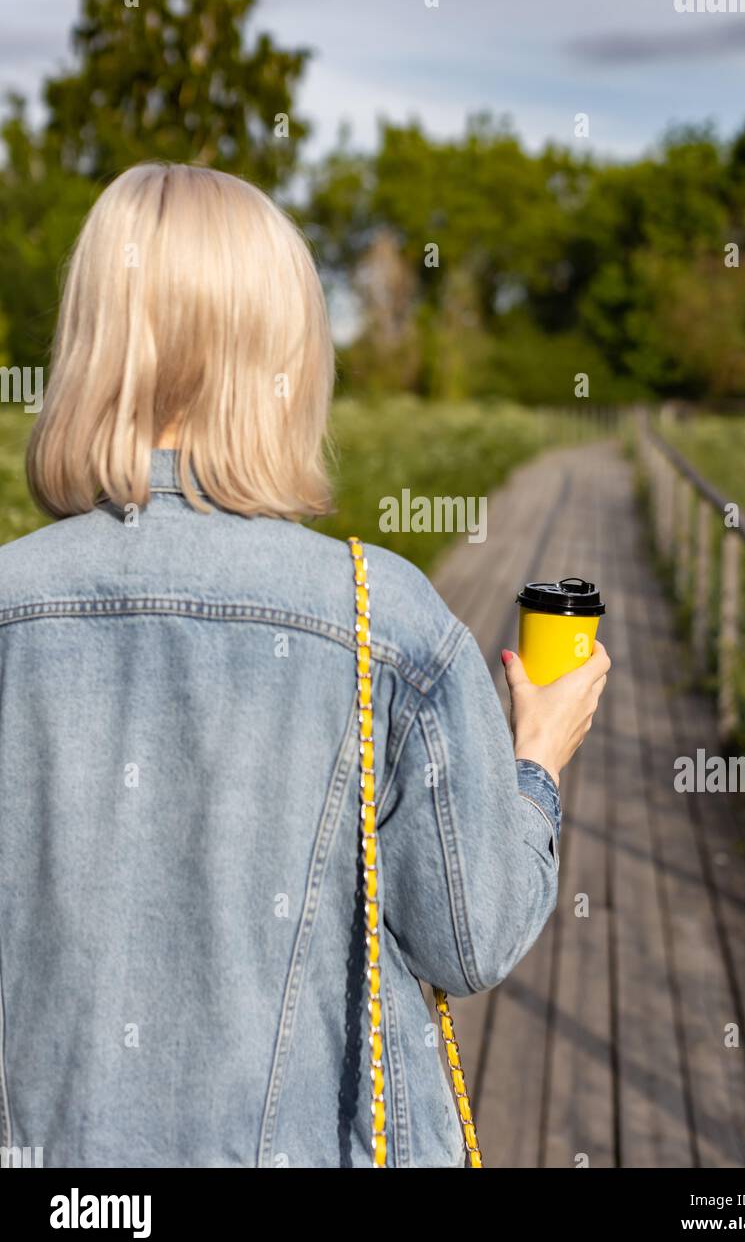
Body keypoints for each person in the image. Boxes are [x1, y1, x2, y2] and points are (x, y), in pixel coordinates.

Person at [0, 163, 609, 1168]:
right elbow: (470, 933)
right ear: (281, 363)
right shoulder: (382, 616)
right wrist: (534, 761)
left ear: (88, 348)